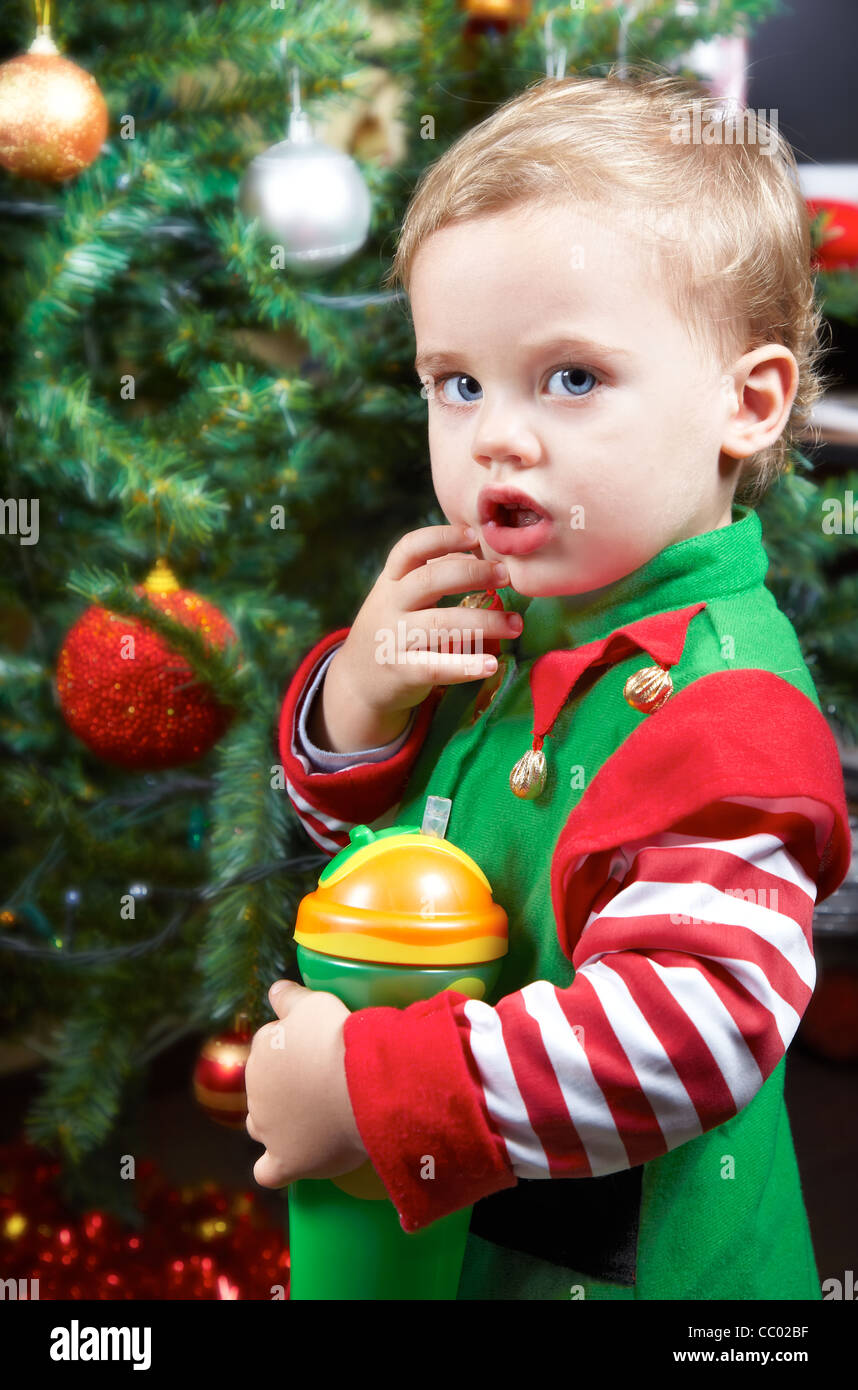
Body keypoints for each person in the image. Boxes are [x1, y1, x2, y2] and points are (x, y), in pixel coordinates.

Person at [245, 66, 852, 1299]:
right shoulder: (501, 617)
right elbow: (346, 853)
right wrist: (358, 701)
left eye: (570, 378)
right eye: (455, 383)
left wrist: (370, 1091)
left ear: (747, 401)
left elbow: (689, 1040)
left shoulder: (727, 711)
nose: (495, 438)